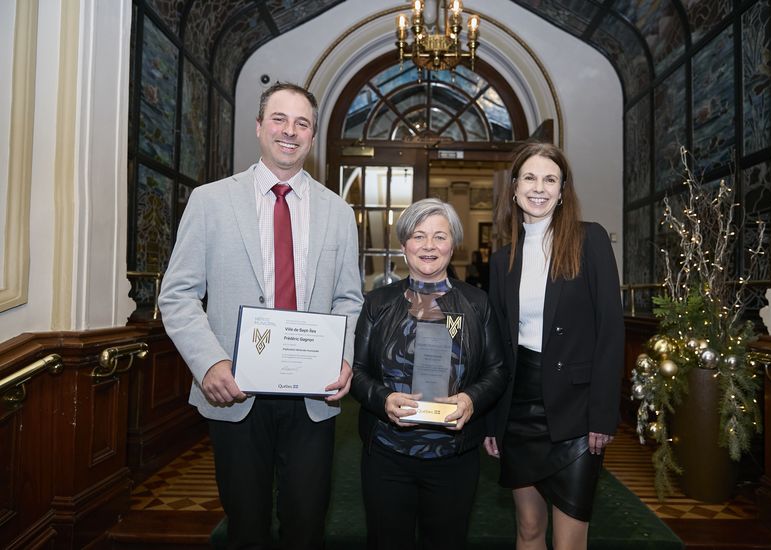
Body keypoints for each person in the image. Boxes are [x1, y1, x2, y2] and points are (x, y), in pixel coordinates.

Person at [158, 82, 363, 549]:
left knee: (306, 525)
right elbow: (178, 295)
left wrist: (344, 357)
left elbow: (349, 299)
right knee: (245, 527)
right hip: (235, 391)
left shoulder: (338, 212)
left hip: (312, 394)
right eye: (279, 119)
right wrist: (209, 362)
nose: (290, 131)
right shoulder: (210, 201)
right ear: (258, 126)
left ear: (312, 136)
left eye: (302, 123)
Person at [483, 141, 624, 550]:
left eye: (550, 179)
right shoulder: (502, 259)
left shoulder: (590, 239)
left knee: (569, 540)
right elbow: (498, 347)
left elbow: (611, 330)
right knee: (528, 528)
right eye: (530, 177)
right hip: (519, 408)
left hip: (577, 412)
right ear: (514, 187)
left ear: (563, 190)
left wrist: (603, 415)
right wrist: (493, 420)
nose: (539, 188)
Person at [350, 198, 508, 550]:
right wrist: (384, 399)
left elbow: (497, 371)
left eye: (440, 236)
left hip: (454, 455)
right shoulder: (377, 303)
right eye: (419, 236)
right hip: (387, 453)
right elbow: (357, 372)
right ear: (404, 244)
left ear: (454, 244)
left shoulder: (478, 303)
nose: (429, 246)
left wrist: (471, 399)